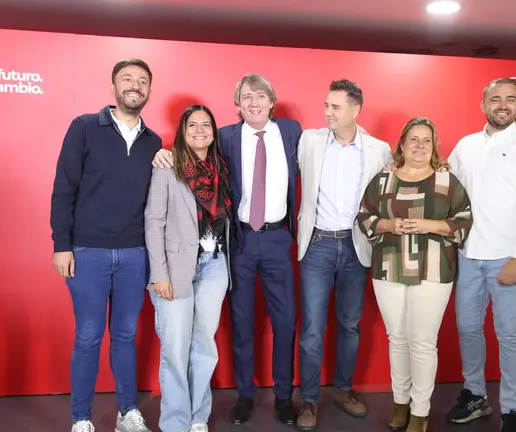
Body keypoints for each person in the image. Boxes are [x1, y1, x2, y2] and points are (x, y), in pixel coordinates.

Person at [151, 74, 301, 426]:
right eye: (246, 96)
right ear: (237, 105)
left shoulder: (292, 131)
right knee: (241, 321)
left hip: (278, 238)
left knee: (285, 321)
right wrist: (161, 153)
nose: (253, 102)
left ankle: (283, 396)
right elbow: (192, 154)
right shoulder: (226, 136)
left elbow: (328, 147)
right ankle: (245, 395)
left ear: (272, 101)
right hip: (239, 242)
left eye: (260, 95)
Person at [50, 59, 160, 432]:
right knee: (88, 336)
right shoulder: (83, 127)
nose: (135, 85)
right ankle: (81, 418)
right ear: (112, 88)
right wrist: (62, 244)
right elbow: (64, 188)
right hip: (87, 252)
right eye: (127, 79)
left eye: (142, 81)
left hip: (135, 254)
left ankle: (127, 412)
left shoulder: (153, 142)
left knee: (126, 335)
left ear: (149, 91)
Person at [444, 77, 516, 432]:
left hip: (509, 257)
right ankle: (475, 395)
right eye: (495, 99)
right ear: (483, 105)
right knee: (467, 329)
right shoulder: (466, 146)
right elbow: (443, 185)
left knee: (510, 336)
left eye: (510, 98)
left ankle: (511, 411)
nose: (503, 105)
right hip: (469, 255)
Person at [357, 117, 473, 432]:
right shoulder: (383, 180)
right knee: (397, 338)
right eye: (413, 139)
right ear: (402, 144)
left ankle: (420, 411)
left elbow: (464, 220)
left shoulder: (447, 181)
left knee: (422, 341)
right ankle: (400, 402)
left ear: (434, 147)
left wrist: (428, 226)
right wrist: (388, 224)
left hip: (433, 267)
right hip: (389, 265)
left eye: (426, 140)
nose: (420, 145)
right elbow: (364, 217)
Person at [294, 79, 392, 430]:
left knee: (350, 325)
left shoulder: (379, 150)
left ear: (355, 110)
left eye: (335, 107)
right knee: (312, 328)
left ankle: (343, 389)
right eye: (326, 105)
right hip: (317, 244)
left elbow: (397, 183)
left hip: (356, 245)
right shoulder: (310, 140)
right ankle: (308, 400)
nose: (327, 112)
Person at [145, 105, 233, 432]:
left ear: (213, 131)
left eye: (205, 125)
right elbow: (153, 222)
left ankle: (198, 417)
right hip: (175, 268)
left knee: (204, 345)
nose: (199, 130)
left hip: (215, 265)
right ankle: (175, 423)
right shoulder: (167, 168)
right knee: (175, 348)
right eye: (192, 125)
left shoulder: (221, 169)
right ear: (183, 131)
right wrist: (159, 274)